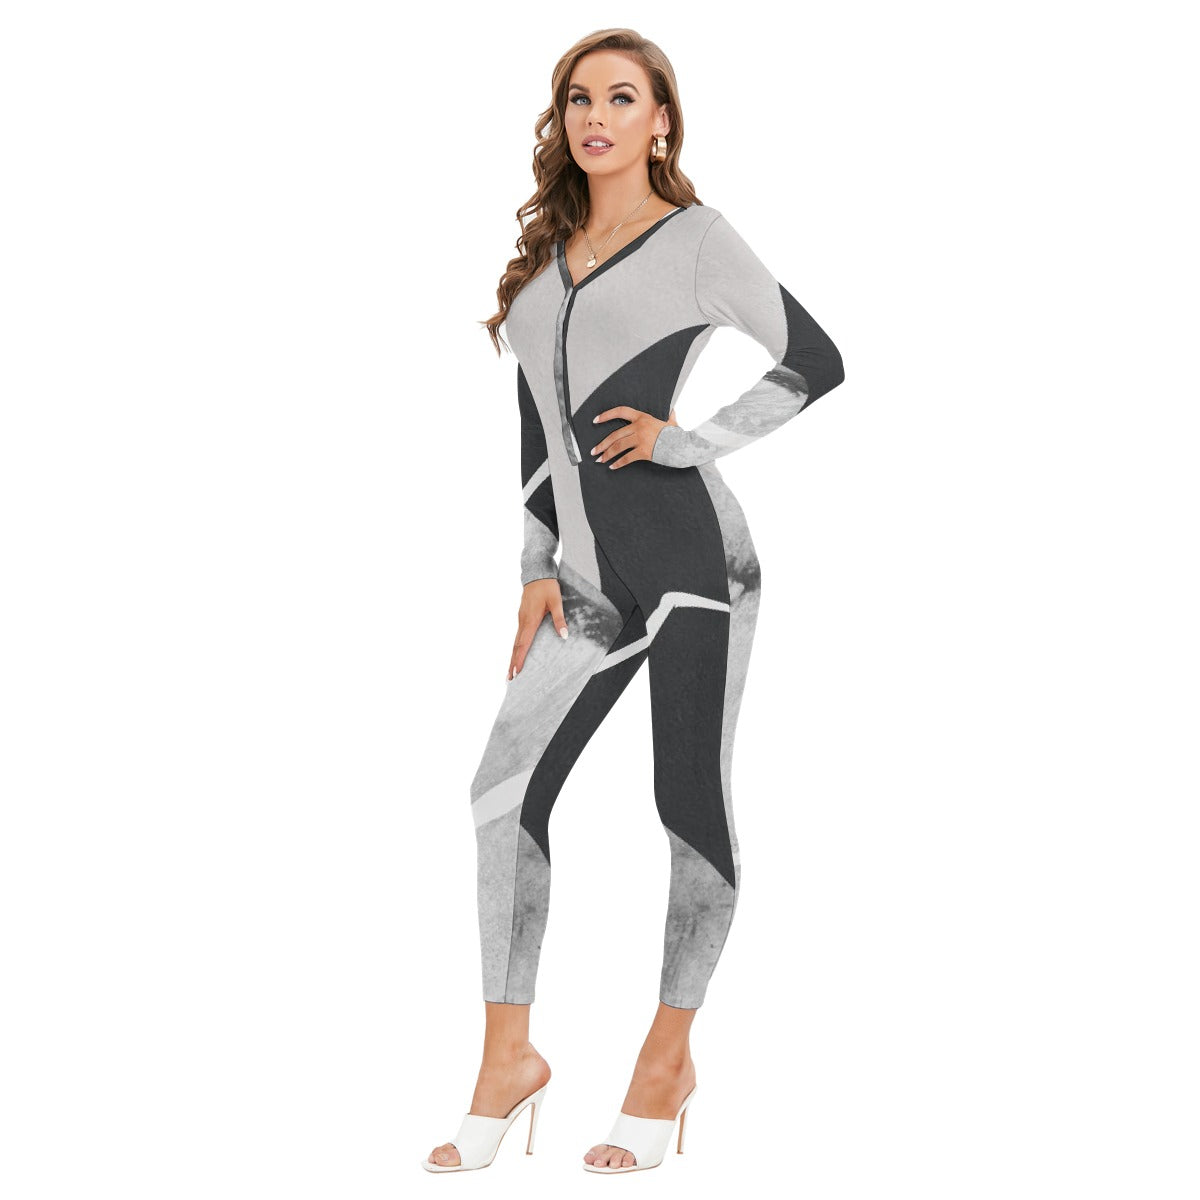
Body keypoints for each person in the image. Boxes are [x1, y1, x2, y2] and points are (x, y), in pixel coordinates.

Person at [423, 27, 845, 1175]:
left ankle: (667, 1058)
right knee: (501, 793)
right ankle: (507, 1059)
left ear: (662, 120)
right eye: (577, 98)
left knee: (683, 797)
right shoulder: (544, 267)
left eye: (621, 98)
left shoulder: (696, 239)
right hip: (585, 579)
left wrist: (688, 440)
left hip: (694, 562)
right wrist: (533, 568)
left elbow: (814, 358)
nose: (595, 117)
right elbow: (534, 430)